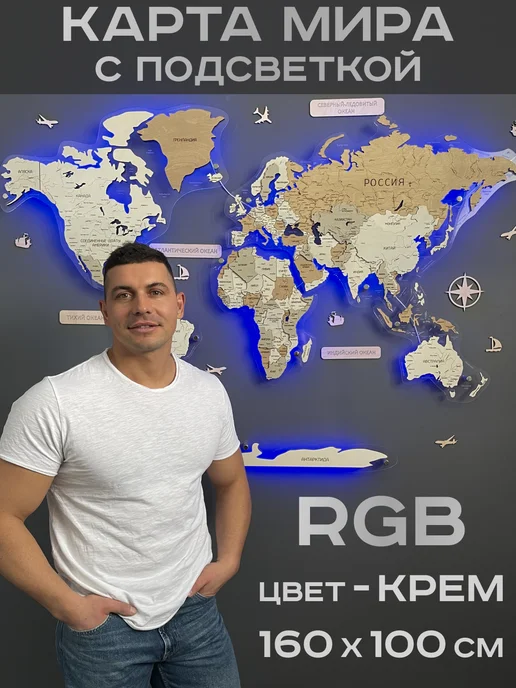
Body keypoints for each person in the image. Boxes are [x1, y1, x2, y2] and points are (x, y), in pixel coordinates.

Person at [0, 242, 251, 687]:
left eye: (155, 291)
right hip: (104, 631)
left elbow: (231, 481)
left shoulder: (208, 392)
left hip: (194, 613)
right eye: (123, 295)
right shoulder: (54, 402)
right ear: (105, 310)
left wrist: (228, 559)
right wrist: (70, 607)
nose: (141, 307)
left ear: (178, 305)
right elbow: (3, 515)